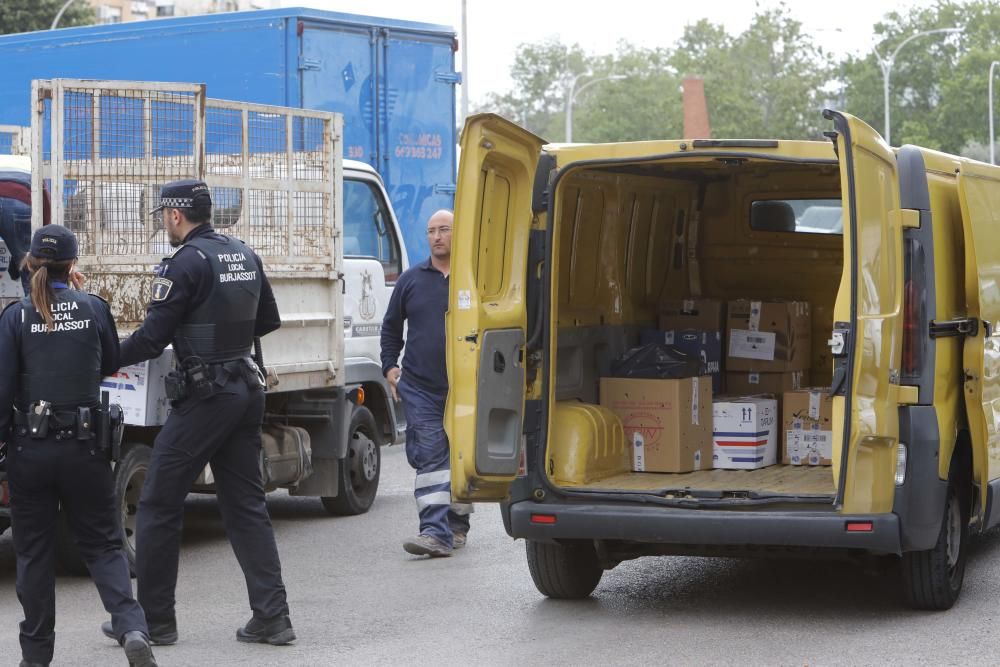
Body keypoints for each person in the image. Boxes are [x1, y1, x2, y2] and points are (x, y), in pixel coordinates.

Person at [99, 179, 294, 647]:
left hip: (207, 395)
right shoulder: (242, 252)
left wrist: (100, 358)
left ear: (174, 215)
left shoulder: (184, 262)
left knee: (159, 503)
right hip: (247, 388)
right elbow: (268, 321)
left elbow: (149, 339)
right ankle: (273, 616)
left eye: (163, 218)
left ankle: (157, 621)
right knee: (246, 505)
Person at [0, 225, 156, 667]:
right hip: (86, 447)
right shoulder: (94, 307)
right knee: (105, 545)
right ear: (73, 265)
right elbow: (110, 362)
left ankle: (35, 657)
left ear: (30, 262)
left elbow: (3, 386)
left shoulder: (16, 315)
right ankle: (131, 628)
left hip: (30, 450)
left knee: (33, 553)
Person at [381, 209, 472, 558]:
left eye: (444, 230)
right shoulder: (410, 280)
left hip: (465, 388)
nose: (437, 236)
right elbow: (391, 328)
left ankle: (457, 524)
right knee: (432, 455)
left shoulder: (472, 277)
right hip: (420, 387)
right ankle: (434, 532)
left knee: (461, 459)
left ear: (457, 233)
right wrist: (390, 367)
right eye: (432, 231)